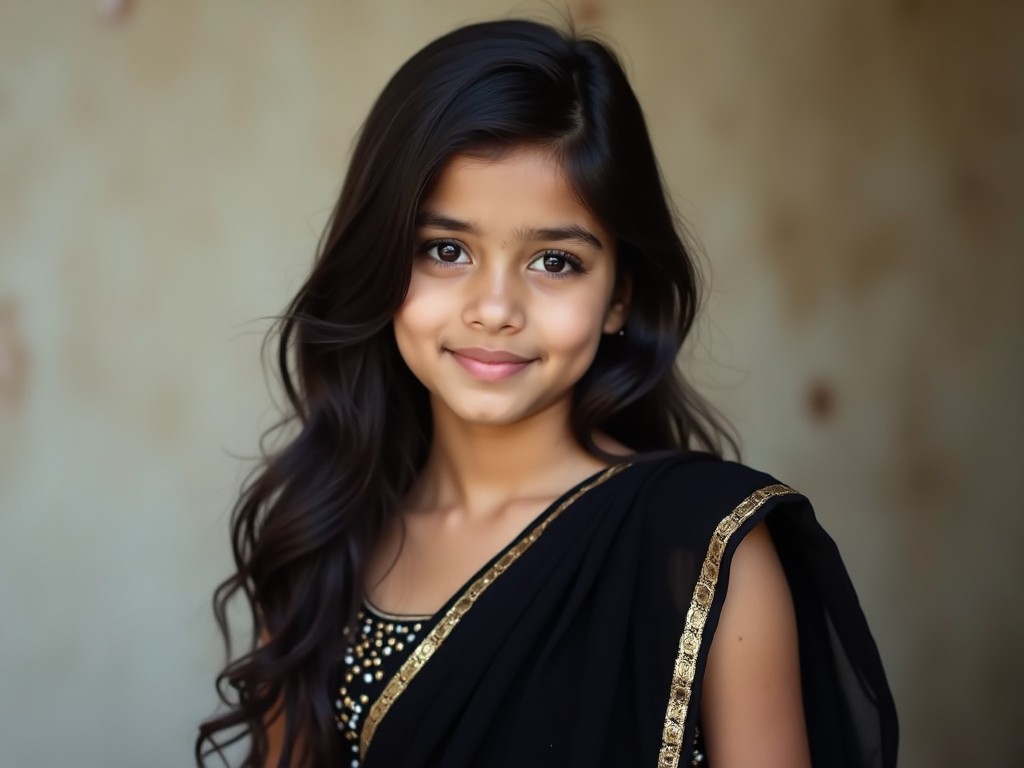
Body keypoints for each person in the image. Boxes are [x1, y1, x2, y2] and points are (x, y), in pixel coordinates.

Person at [196, 18, 898, 768]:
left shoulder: (700, 548)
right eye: (445, 250)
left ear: (620, 296)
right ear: (378, 265)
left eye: (555, 262)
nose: (495, 307)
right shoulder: (326, 542)